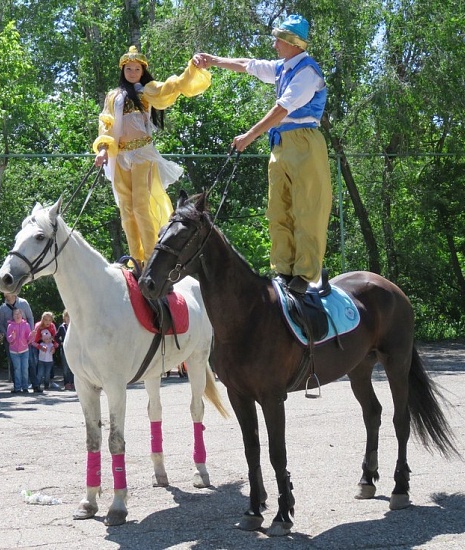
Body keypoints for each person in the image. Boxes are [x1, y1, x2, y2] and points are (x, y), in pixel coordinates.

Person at [192, 14, 331, 295]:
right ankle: (284, 270)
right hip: (280, 144)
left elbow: (282, 109)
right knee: (277, 209)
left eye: (279, 39)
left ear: (293, 43)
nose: (275, 43)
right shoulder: (283, 68)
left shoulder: (307, 72)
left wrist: (249, 136)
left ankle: (304, 275)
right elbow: (248, 65)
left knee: (307, 211)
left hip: (305, 142)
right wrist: (214, 60)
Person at [93, 46, 212, 265]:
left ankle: (150, 258)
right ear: (122, 70)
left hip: (142, 155)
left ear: (142, 71)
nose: (132, 72)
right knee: (126, 211)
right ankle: (135, 260)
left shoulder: (147, 91)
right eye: (128, 69)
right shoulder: (113, 97)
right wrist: (102, 150)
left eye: (136, 69)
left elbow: (171, 87)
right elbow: (106, 124)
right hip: (120, 156)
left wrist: (191, 70)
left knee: (141, 207)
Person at [0, 292, 34, 384]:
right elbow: (1, 324)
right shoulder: (3, 308)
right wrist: (7, 335)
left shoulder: (23, 303)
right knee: (14, 364)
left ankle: (34, 385)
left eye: (8, 294)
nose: (6, 296)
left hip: (25, 338)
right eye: (5, 295)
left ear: (13, 293)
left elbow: (30, 318)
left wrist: (31, 334)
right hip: (11, 340)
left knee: (30, 362)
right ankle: (16, 386)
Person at [30, 311, 58, 391]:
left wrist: (54, 347)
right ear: (42, 319)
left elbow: (55, 339)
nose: (48, 322)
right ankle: (35, 383)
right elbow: (33, 341)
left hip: (49, 346)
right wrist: (40, 347)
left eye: (50, 320)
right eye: (46, 320)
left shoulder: (52, 326)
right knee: (36, 363)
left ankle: (49, 382)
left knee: (49, 364)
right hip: (37, 345)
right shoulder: (38, 326)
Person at [6, 308, 32, 394]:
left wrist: (32, 335)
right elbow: (8, 339)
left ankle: (25, 387)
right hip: (14, 351)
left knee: (25, 369)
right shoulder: (10, 326)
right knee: (17, 369)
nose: (17, 316)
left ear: (22, 315)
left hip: (24, 350)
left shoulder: (26, 325)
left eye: (19, 314)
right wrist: (12, 337)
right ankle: (17, 387)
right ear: (13, 316)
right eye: (15, 314)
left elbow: (28, 338)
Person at [56, 310, 74, 391]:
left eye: (70, 317)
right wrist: (61, 343)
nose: (69, 319)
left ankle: (73, 382)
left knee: (73, 367)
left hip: (73, 350)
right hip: (64, 350)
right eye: (67, 317)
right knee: (65, 367)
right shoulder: (62, 327)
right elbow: (56, 337)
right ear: (64, 318)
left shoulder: (74, 327)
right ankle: (67, 383)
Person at [33, 329, 55, 393]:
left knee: (47, 374)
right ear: (42, 339)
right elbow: (41, 351)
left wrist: (52, 350)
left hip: (49, 361)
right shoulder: (41, 344)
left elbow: (52, 352)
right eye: (45, 339)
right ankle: (37, 385)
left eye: (48, 338)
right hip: (41, 361)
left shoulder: (51, 345)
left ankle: (46, 384)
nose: (47, 340)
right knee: (40, 373)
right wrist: (43, 349)